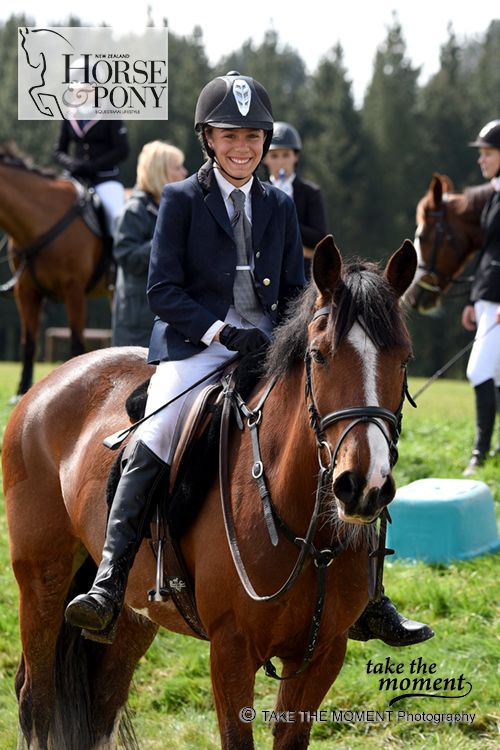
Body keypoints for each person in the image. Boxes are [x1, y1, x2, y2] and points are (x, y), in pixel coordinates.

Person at [64, 71, 433, 650]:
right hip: (196, 349)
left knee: (349, 437)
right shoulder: (183, 199)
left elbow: (295, 289)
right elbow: (163, 290)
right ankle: (110, 582)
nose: (243, 147)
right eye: (230, 136)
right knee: (157, 432)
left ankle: (370, 597)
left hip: (267, 350)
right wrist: (220, 332)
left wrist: (282, 334)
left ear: (265, 144)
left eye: (254, 137)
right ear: (208, 139)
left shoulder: (279, 205)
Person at [112, 141, 187, 348]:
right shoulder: (134, 211)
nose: (184, 172)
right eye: (177, 167)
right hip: (139, 321)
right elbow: (127, 258)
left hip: (167, 313)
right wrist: (164, 241)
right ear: (160, 172)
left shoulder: (174, 208)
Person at [462, 120, 500, 476]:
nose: (482, 159)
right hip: (488, 297)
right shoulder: (495, 194)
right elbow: (488, 250)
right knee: (496, 374)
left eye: (487, 153)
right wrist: (473, 300)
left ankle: (480, 452)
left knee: (478, 370)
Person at [263, 121, 328, 277]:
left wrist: (286, 218)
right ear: (264, 157)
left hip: (302, 272)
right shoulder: (258, 191)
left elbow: (319, 239)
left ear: (296, 156)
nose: (280, 162)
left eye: (286, 155)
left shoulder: (310, 192)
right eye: (274, 156)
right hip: (266, 271)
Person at [53, 112, 130, 234]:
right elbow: (58, 151)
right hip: (76, 175)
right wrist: (71, 163)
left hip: (105, 177)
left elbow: (122, 150)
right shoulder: (70, 112)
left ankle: (119, 250)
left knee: (116, 218)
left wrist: (93, 165)